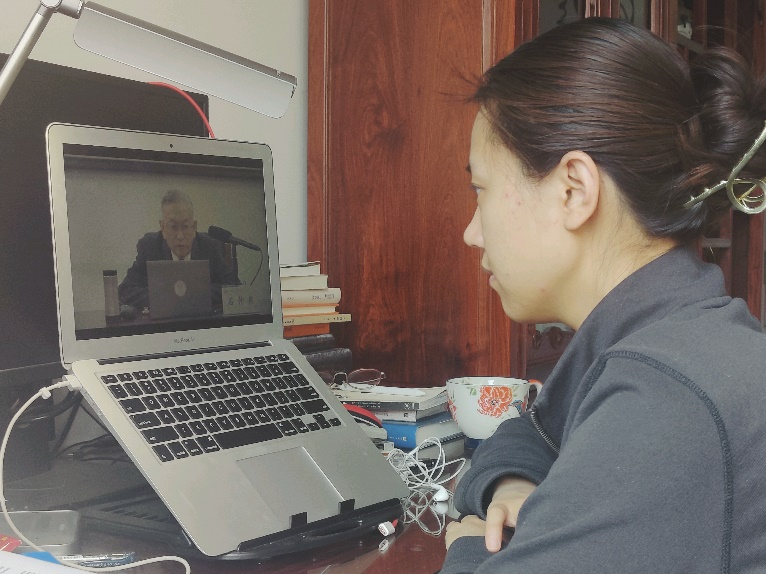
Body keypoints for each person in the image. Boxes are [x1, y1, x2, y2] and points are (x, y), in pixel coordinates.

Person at [440, 17, 766, 574]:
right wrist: (512, 482)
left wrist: (471, 545)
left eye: (481, 189)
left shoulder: (666, 396)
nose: (473, 232)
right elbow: (531, 431)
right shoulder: (664, 335)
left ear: (574, 190)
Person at [118, 189, 239, 310]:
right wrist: (166, 296)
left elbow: (233, 286)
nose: (180, 236)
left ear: (194, 227)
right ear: (163, 228)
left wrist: (194, 295)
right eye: (173, 227)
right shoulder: (149, 247)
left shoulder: (209, 246)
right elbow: (125, 291)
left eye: (185, 226)